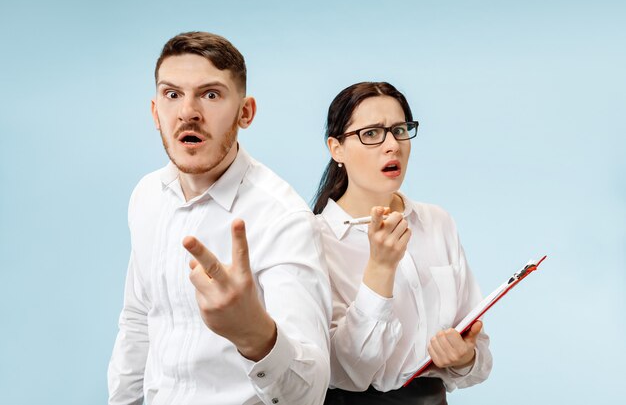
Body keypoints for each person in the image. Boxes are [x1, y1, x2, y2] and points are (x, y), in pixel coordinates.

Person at [108, 31, 332, 405]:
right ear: (155, 112)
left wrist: (255, 335)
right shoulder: (146, 196)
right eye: (172, 94)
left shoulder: (283, 218)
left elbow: (310, 390)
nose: (188, 112)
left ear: (245, 112)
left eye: (210, 94)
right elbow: (138, 322)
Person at [313, 82, 492, 404]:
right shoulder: (314, 239)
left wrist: (464, 358)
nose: (392, 145)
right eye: (371, 134)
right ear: (336, 148)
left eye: (399, 130)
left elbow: (479, 355)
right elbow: (344, 371)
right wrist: (380, 268)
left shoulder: (437, 222)